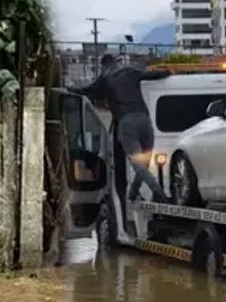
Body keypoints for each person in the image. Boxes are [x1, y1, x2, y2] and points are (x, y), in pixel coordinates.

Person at [73, 54, 172, 204]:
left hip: (126, 122)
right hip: (144, 119)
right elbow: (152, 75)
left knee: (138, 164)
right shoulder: (131, 71)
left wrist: (70, 90)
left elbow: (87, 91)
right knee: (144, 162)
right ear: (116, 62)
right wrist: (167, 72)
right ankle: (133, 193)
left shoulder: (105, 78)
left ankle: (158, 193)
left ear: (103, 65)